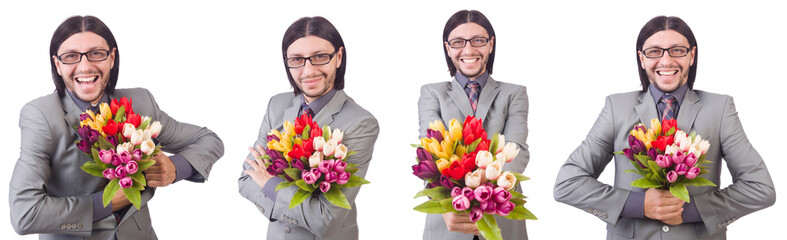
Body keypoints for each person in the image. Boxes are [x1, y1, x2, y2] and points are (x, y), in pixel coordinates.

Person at [553, 16, 776, 240]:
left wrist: (692, 210)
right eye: (654, 51)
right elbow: (568, 183)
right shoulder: (616, 108)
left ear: (692, 55)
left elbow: (759, 188)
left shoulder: (720, 109)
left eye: (677, 50)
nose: (666, 61)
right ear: (641, 58)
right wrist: (639, 205)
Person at [9, 15, 224, 239]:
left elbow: (209, 140)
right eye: (71, 56)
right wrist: (105, 204)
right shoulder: (41, 115)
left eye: (96, 54)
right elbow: (25, 214)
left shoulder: (141, 102)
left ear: (111, 58)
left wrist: (175, 168)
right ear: (57, 64)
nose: (84, 66)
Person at [238, 16, 379, 240]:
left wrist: (270, 183)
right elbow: (246, 180)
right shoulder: (277, 105)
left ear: (338, 57)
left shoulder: (360, 122)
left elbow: (325, 220)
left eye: (319, 57)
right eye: (297, 59)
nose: (308, 70)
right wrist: (294, 204)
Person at [418, 10, 530, 240]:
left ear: (490, 44)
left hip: (501, 214)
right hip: (449, 219)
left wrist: (485, 196)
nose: (468, 50)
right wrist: (449, 202)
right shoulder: (432, 93)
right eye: (458, 42)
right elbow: (430, 153)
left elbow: (516, 150)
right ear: (447, 48)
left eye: (478, 41)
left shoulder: (514, 93)